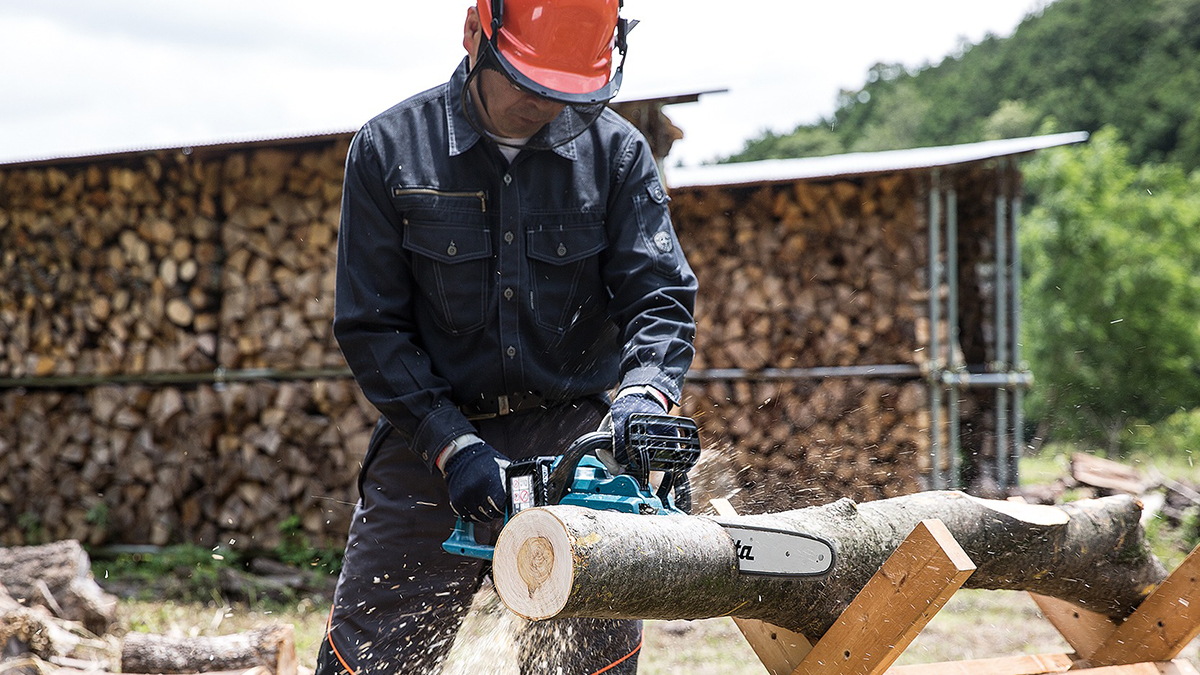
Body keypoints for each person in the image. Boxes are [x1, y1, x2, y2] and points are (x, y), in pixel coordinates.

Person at [318, 0, 697, 673]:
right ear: (474, 36)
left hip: (572, 433)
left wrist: (644, 398)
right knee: (370, 658)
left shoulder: (615, 153)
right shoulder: (390, 150)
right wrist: (450, 444)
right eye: (530, 85)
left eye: (564, 90)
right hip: (433, 435)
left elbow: (658, 296)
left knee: (589, 661)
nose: (546, 105)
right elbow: (371, 326)